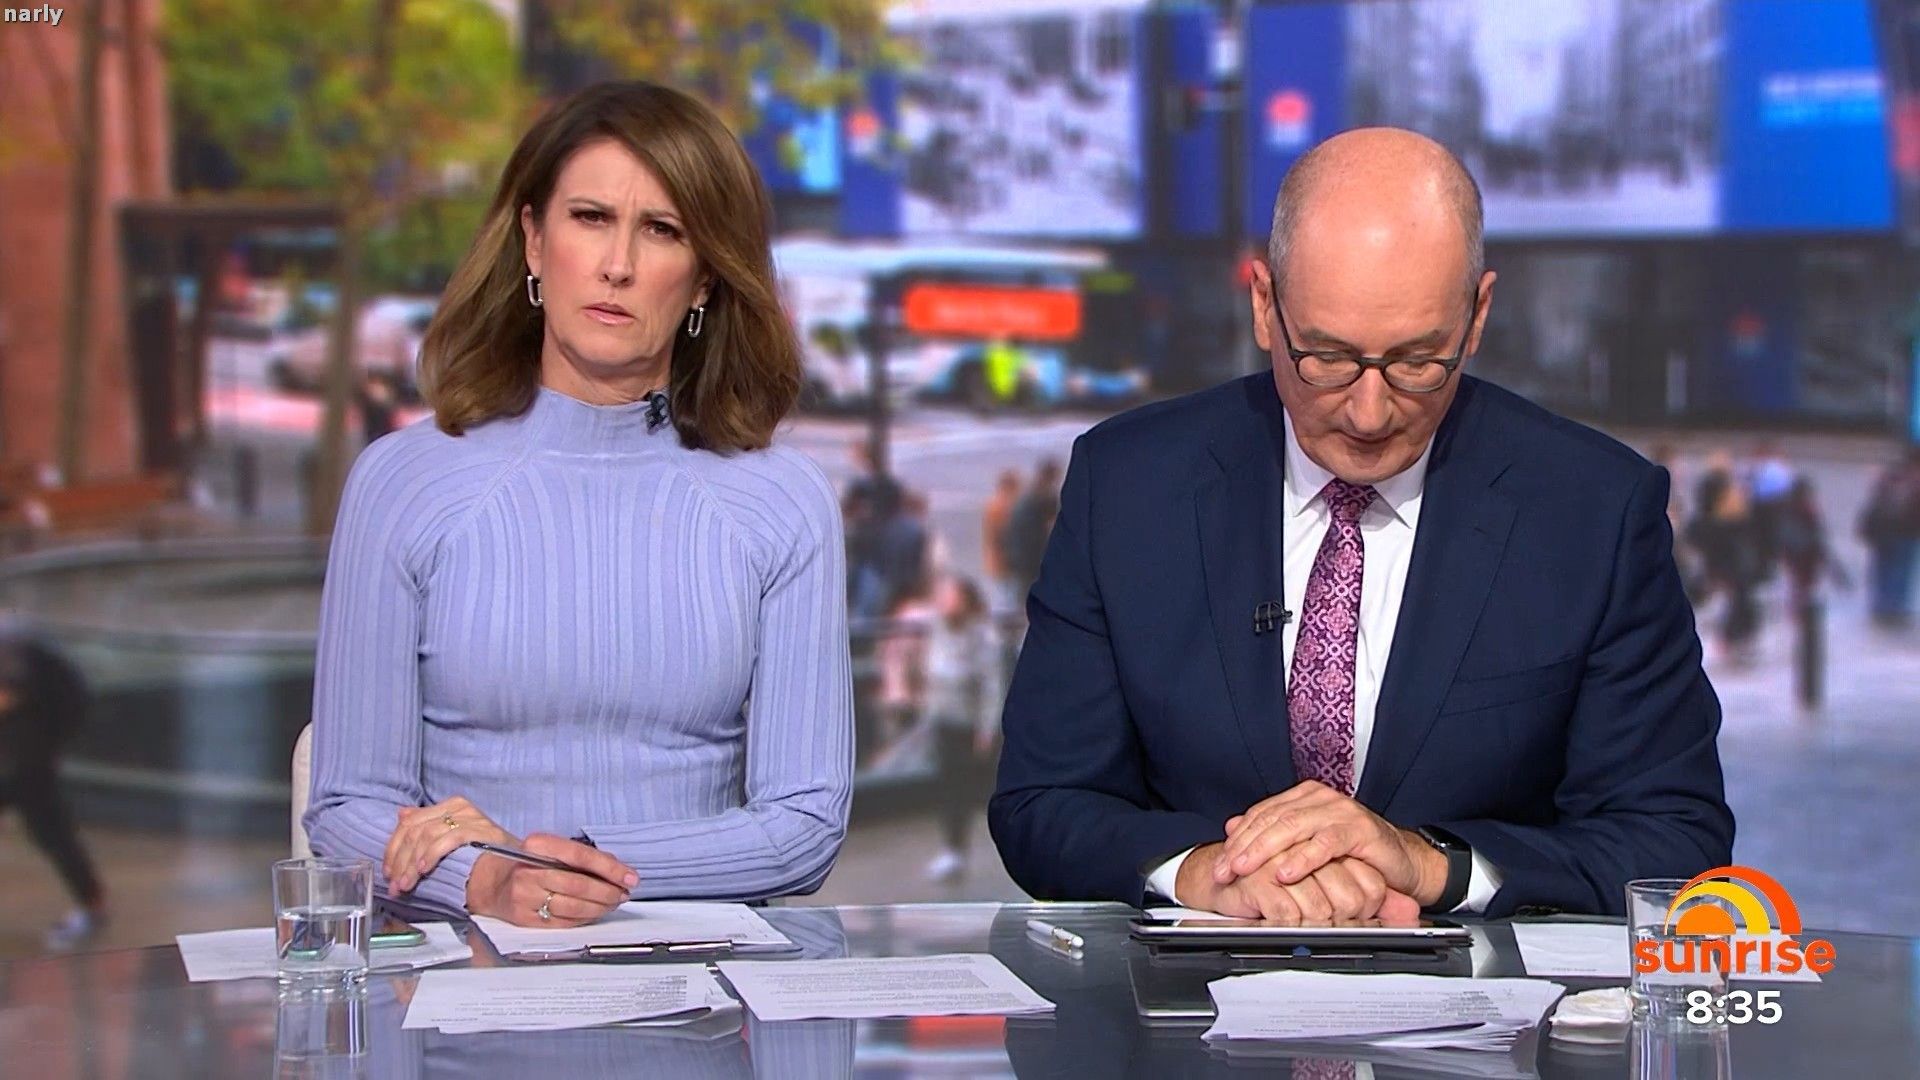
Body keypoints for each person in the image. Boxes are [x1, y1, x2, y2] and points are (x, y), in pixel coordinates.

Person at [990, 128, 1733, 922]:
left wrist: (1431, 865)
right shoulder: (1129, 486)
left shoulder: (1593, 511)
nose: (1370, 413)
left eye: (1418, 362)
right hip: (1187, 991)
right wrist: (1206, 873)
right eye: (1328, 359)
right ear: (1264, 305)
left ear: (1477, 316)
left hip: (1476, 997)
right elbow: (1044, 802)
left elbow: (1674, 839)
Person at [304, 81, 853, 928]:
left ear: (705, 279)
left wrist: (560, 864)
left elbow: (804, 825)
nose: (617, 265)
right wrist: (487, 882)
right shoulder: (402, 482)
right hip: (467, 970)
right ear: (533, 240)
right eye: (591, 218)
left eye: (662, 230)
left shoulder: (781, 501)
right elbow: (347, 807)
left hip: (697, 973)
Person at [0, 617, 107, 950]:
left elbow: (10, 695)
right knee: (50, 828)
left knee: (50, 828)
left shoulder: (14, 648)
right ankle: (91, 904)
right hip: (25, 745)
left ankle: (92, 906)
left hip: (31, 748)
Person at [919, 576, 1003, 883]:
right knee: (948, 786)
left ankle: (959, 848)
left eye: (950, 595)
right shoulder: (938, 631)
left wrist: (986, 729)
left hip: (967, 725)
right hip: (942, 722)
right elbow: (931, 677)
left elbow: (991, 687)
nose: (944, 601)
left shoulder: (982, 638)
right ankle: (952, 849)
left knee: (963, 788)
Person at [1859, 448, 1920, 629]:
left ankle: (1881, 606)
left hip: (1881, 530)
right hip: (1905, 532)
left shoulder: (1890, 476)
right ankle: (1894, 609)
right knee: (1900, 571)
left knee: (1883, 568)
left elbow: (1875, 499)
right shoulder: (1914, 481)